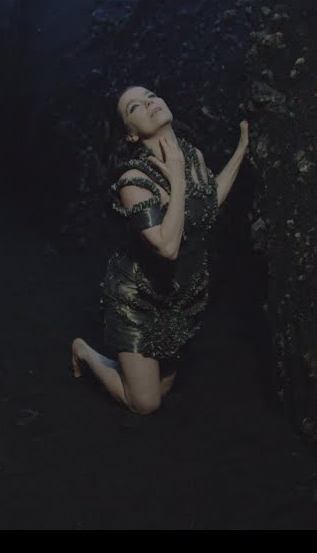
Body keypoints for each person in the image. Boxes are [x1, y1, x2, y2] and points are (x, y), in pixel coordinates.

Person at [70, 84, 249, 414]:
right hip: (138, 298)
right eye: (135, 107)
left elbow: (208, 202)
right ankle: (85, 352)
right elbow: (167, 247)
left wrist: (241, 152)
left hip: (182, 297)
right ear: (131, 134)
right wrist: (177, 179)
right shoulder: (132, 180)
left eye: (150, 95)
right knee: (145, 403)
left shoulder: (192, 155)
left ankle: (128, 367)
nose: (149, 102)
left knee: (163, 389)